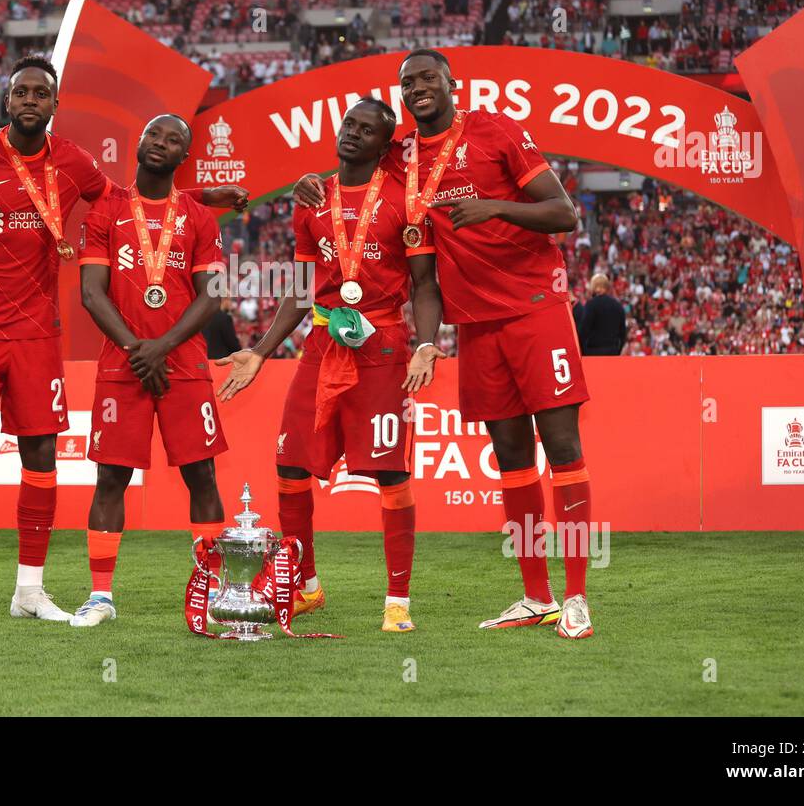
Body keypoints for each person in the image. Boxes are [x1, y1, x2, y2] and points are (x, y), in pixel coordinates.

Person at [0, 54, 247, 627]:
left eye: (42, 93)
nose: (30, 101)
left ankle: (30, 590)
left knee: (41, 457)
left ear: (54, 105)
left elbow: (131, 196)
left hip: (39, 334)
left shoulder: (72, 161)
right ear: (6, 99)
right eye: (21, 91)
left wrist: (204, 198)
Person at [293, 49, 595, 639]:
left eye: (427, 78)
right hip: (474, 324)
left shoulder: (494, 128)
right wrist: (310, 182)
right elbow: (350, 172)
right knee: (511, 459)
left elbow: (565, 213)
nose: (416, 89)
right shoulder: (401, 156)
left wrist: (492, 207)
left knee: (562, 448)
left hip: (537, 308)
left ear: (453, 83)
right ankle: (538, 596)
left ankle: (579, 595)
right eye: (408, 83)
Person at [218, 98, 444, 633]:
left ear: (383, 145)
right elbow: (298, 291)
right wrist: (261, 350)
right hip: (321, 346)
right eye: (349, 125)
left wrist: (428, 342)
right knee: (291, 468)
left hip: (382, 346)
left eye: (368, 131)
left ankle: (397, 602)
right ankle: (307, 588)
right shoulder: (310, 197)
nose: (353, 135)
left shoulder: (404, 201)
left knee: (389, 473)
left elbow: (426, 284)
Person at [69, 115, 229, 627]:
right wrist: (140, 349)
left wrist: (160, 347)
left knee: (201, 475)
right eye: (155, 135)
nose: (162, 144)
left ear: (185, 156)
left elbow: (212, 296)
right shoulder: (106, 211)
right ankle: (100, 597)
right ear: (138, 144)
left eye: (174, 141)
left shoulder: (199, 215)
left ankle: (210, 588)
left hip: (182, 362)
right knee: (111, 475)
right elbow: (92, 292)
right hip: (124, 362)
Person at [579, 273, 627, 356]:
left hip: (593, 352)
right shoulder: (618, 305)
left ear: (593, 287)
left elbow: (583, 331)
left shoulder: (591, 305)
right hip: (612, 352)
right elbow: (623, 333)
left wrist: (584, 351)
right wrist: (617, 351)